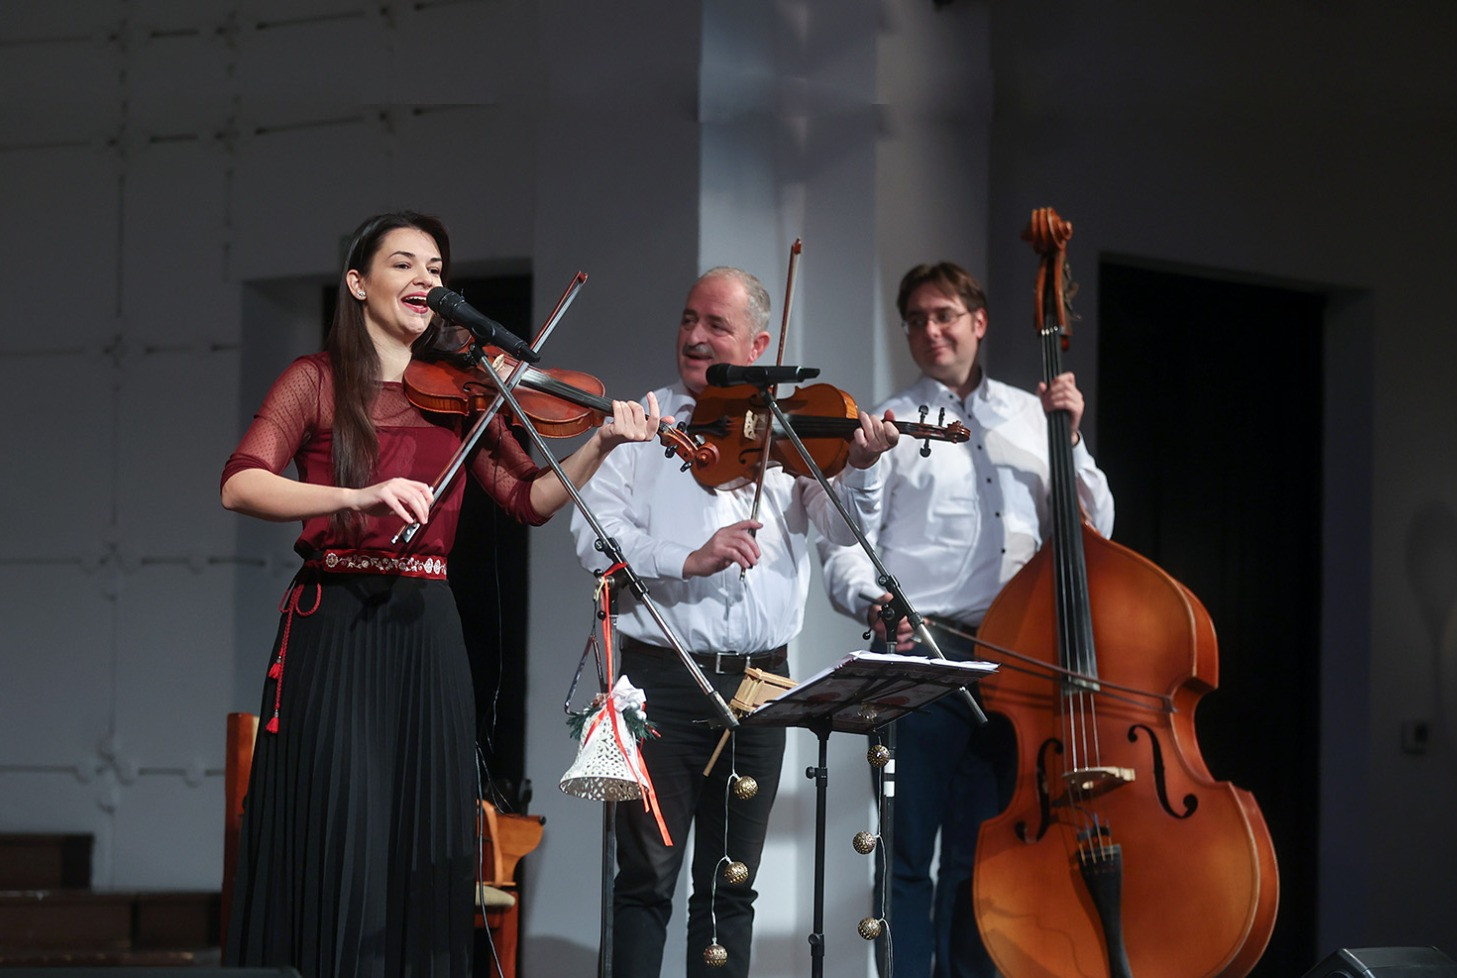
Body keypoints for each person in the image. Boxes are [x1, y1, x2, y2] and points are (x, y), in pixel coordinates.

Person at [220, 210, 660, 978]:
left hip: (427, 624)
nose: (424, 279)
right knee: (345, 823)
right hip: (336, 622)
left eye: (434, 268)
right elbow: (242, 483)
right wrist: (358, 495)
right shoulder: (315, 380)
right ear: (358, 283)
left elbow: (528, 499)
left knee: (424, 830)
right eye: (402, 264)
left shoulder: (462, 389)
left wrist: (601, 442)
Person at [569, 266, 900, 978]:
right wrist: (685, 559)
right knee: (644, 881)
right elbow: (591, 537)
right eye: (689, 319)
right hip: (659, 681)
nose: (694, 336)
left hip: (761, 685)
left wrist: (863, 467)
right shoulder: (640, 423)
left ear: (758, 345)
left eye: (715, 325)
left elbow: (844, 531)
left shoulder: (786, 436)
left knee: (731, 889)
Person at [820, 261, 1115, 978]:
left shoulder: (1033, 415)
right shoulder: (888, 423)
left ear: (978, 322)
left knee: (983, 859)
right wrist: (872, 602)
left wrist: (1071, 439)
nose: (930, 330)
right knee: (905, 859)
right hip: (922, 652)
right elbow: (844, 547)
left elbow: (1096, 530)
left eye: (944, 314)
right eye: (916, 319)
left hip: (1015, 662)